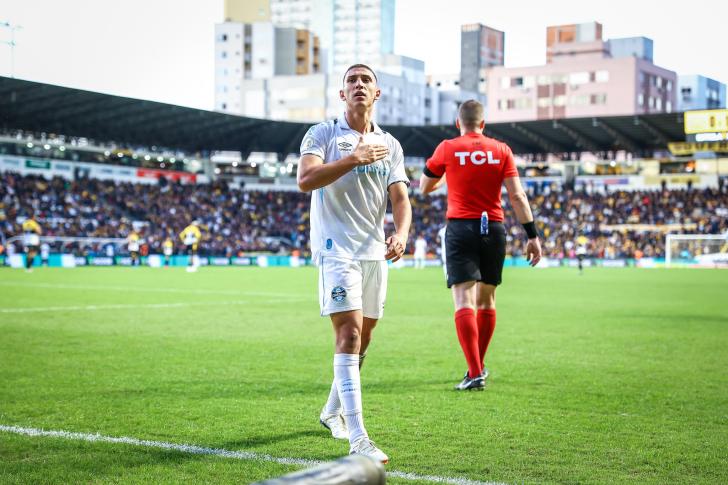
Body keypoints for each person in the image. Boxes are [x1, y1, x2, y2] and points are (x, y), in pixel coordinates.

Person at [297, 64, 411, 463]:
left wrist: (401, 233)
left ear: (377, 94)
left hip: (373, 252)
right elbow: (306, 180)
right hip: (335, 249)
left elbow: (400, 198)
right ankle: (359, 438)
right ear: (342, 93)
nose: (359, 85)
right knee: (348, 336)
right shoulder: (323, 134)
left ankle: (331, 412)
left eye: (366, 80)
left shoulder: (390, 145)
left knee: (363, 341)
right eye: (351, 80)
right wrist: (353, 158)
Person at [419, 99, 542, 391]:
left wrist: (451, 174)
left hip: (461, 228)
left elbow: (424, 186)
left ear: (458, 123)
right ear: (483, 124)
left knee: (464, 300)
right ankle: (478, 366)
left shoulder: (448, 147)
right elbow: (517, 196)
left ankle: (474, 371)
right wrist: (532, 235)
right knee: (487, 301)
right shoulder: (501, 150)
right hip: (494, 229)